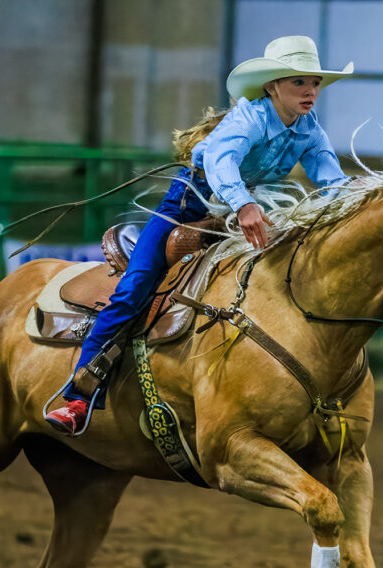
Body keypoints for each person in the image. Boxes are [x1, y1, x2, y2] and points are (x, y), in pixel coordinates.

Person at [45, 35, 354, 435]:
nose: (310, 91)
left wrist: (353, 206)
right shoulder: (249, 117)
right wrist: (244, 204)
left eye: (314, 83)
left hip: (248, 212)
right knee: (134, 289)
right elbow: (221, 159)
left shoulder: (309, 130)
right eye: (299, 82)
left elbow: (332, 180)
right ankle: (78, 397)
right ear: (273, 86)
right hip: (188, 207)